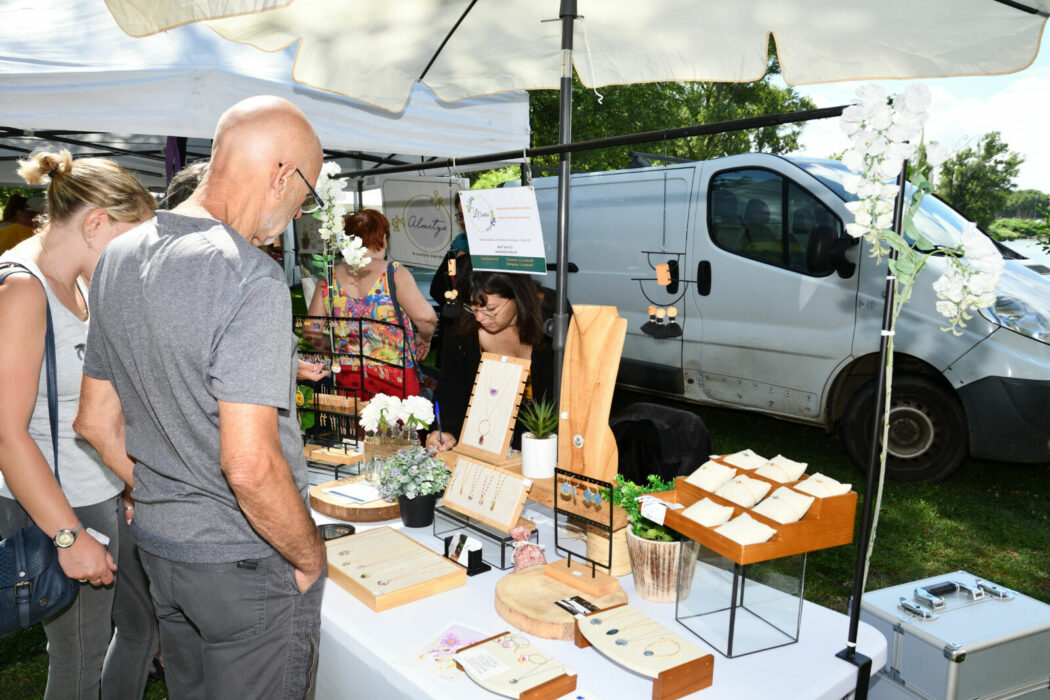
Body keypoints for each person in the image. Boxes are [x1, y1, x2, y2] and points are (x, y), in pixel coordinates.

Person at [73, 95, 327, 699]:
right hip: (243, 560)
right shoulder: (250, 278)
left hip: (162, 551)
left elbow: (94, 422)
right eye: (306, 195)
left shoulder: (118, 255)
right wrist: (310, 554)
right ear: (281, 174)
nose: (297, 213)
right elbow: (248, 464)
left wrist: (164, 490)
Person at [0, 150, 158, 699]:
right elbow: (6, 434)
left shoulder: (82, 281)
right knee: (79, 661)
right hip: (57, 505)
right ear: (95, 224)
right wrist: (66, 534)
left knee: (142, 623)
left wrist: (125, 482)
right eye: (131, 242)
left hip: (101, 492)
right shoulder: (22, 289)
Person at [305, 209, 436, 398]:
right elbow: (426, 317)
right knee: (399, 426)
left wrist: (342, 350)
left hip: (349, 376)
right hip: (395, 377)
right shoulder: (393, 272)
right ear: (383, 238)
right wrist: (425, 339)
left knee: (355, 425)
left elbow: (311, 331)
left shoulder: (329, 277)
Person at [426, 270, 557, 452]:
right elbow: (451, 391)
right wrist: (448, 431)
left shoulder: (554, 318)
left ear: (518, 296)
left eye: (490, 309)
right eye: (473, 307)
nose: (479, 317)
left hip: (545, 442)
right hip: (484, 439)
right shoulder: (464, 325)